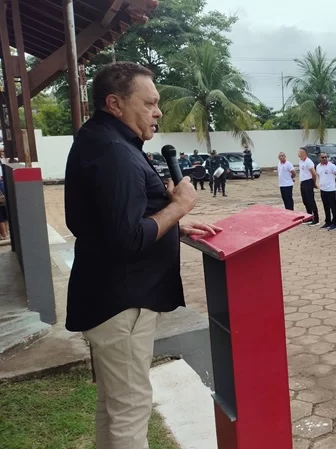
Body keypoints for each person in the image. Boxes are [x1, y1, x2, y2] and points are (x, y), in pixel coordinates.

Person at [64, 62, 221, 449]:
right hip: (123, 304)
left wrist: (172, 224)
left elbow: (107, 221)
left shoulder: (99, 139)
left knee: (114, 406)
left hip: (106, 296)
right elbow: (127, 238)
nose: (158, 112)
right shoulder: (115, 152)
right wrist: (179, 207)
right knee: (131, 409)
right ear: (115, 104)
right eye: (149, 103)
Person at [316, 153, 336, 231]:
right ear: (320, 158)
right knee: (326, 206)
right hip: (323, 189)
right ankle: (327, 221)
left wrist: (334, 182)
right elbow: (319, 176)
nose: (324, 158)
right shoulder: (318, 166)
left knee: (333, 207)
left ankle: (334, 222)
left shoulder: (332, 166)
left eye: (326, 157)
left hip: (331, 189)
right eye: (323, 157)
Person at [297, 147, 319, 226]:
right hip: (303, 182)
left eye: (299, 152)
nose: (298, 153)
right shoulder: (300, 161)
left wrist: (314, 183)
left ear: (304, 153)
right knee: (305, 201)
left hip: (308, 182)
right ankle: (309, 217)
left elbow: (314, 174)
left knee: (311, 201)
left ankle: (316, 219)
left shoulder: (308, 162)